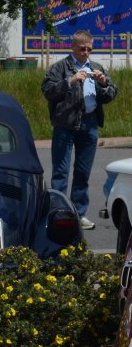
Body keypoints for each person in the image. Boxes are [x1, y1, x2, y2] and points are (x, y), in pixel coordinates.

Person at [42, 30, 118, 230]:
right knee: (60, 172)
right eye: (82, 49)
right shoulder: (60, 68)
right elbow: (48, 91)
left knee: (83, 173)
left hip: (89, 124)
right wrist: (71, 81)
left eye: (89, 49)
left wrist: (103, 84)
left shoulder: (96, 67)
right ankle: (57, 212)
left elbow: (111, 94)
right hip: (65, 124)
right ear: (73, 47)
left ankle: (79, 213)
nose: (86, 52)